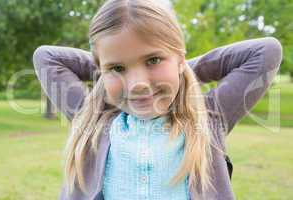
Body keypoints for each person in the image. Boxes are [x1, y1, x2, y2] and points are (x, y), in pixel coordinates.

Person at [32, 0, 282, 199]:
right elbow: (46, 57)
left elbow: (266, 51)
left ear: (180, 59)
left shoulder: (208, 117)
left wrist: (180, 70)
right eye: (117, 68)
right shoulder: (93, 119)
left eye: (153, 60)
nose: (138, 84)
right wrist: (107, 69)